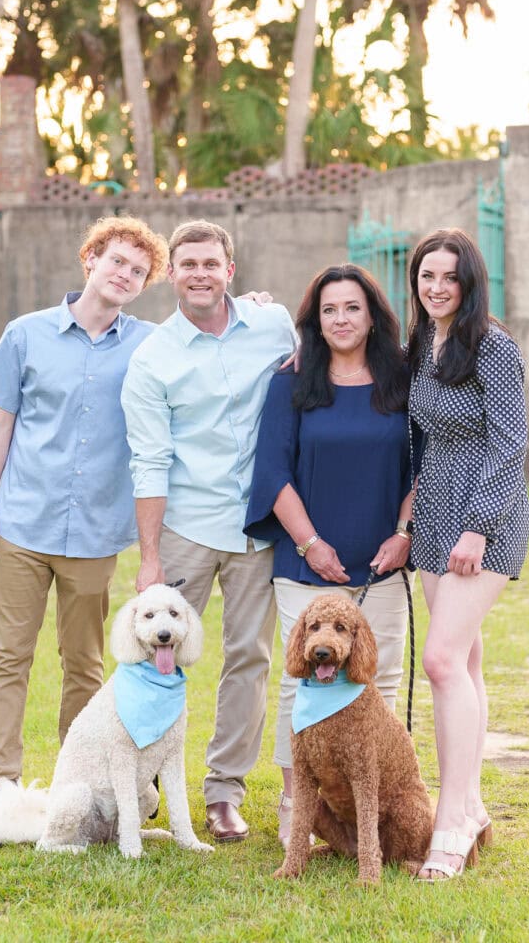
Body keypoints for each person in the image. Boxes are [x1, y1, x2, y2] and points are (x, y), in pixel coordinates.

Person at [0, 216, 169, 842]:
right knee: (9, 656)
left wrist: (256, 306)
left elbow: (212, 329)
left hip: (94, 536)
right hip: (24, 523)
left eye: (138, 271)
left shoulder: (150, 343)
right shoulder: (25, 335)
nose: (125, 275)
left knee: (84, 664)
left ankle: (84, 788)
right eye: (116, 262)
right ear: (90, 259)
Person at [121, 219, 298, 844]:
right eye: (187, 263)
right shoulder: (152, 359)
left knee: (249, 658)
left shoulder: (274, 326)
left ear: (231, 270)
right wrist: (149, 558)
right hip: (186, 527)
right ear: (171, 273)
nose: (200, 273)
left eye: (211, 263)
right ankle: (139, 786)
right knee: (154, 659)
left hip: (258, 526)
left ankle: (225, 792)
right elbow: (149, 460)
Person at [243, 263, 414, 847]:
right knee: (302, 685)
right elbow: (272, 472)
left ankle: (376, 811)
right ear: (314, 321)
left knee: (376, 682)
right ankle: (301, 807)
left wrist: (405, 532)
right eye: (329, 310)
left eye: (352, 308)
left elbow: (423, 467)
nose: (341, 319)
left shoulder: (403, 381)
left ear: (373, 316)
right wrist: (310, 544)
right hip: (304, 563)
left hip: (381, 562)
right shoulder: (290, 383)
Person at [405, 228, 529, 881]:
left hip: (488, 516)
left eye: (449, 276)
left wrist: (479, 526)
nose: (436, 287)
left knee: (441, 659)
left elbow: (510, 445)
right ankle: (475, 808)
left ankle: (450, 821)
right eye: (427, 275)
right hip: (434, 517)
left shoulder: (492, 347)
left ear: (469, 281)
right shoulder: (423, 345)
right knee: (468, 660)